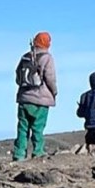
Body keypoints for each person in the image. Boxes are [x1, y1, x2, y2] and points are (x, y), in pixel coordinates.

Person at [12, 32, 57, 161]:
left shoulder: (25, 57)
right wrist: (54, 92)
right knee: (38, 127)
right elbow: (50, 78)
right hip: (41, 100)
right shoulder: (47, 58)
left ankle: (19, 154)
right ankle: (38, 152)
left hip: (24, 99)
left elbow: (17, 77)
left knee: (22, 127)